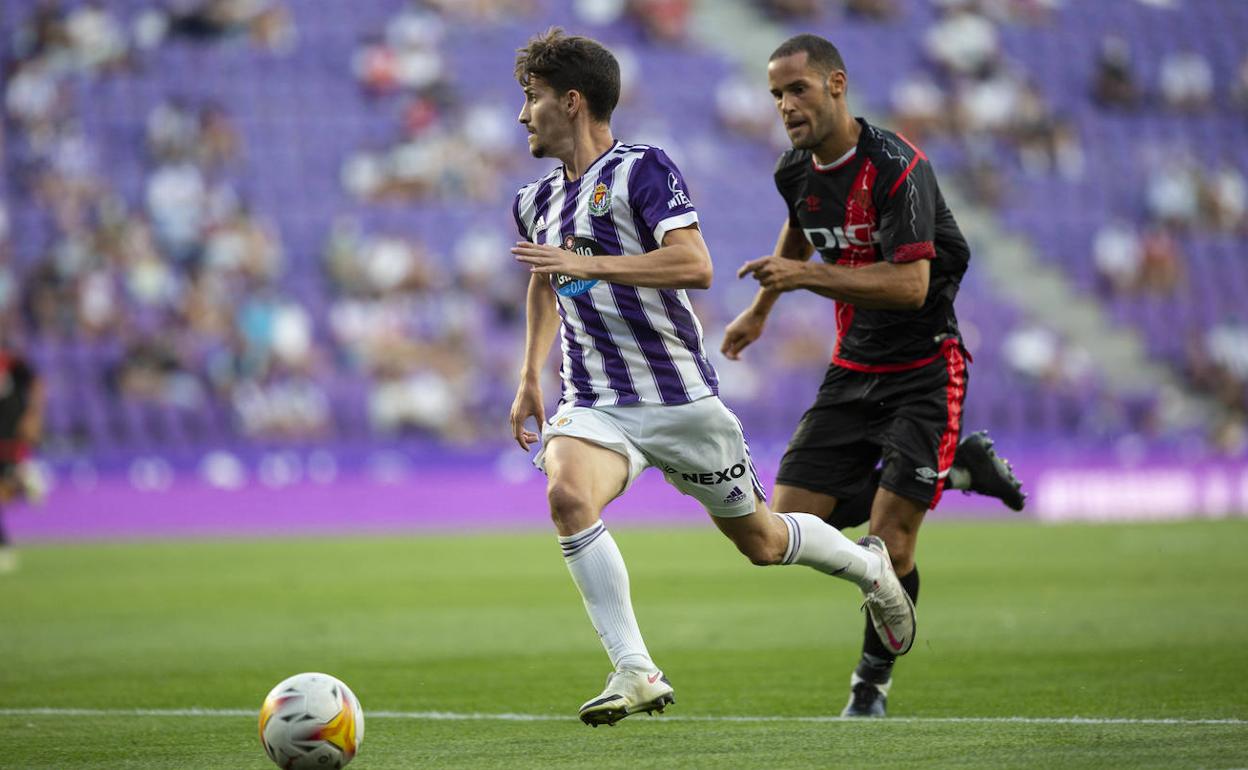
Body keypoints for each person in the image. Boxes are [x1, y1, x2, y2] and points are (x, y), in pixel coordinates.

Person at [507, 28, 916, 727]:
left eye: (533, 98)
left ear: (572, 102)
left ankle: (870, 568)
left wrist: (594, 264)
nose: (523, 115)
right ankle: (636, 671)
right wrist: (529, 377)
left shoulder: (643, 169)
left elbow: (694, 264)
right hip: (595, 401)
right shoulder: (534, 200)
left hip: (681, 402)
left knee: (760, 542)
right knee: (568, 497)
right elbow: (546, 284)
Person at [722, 34, 1021, 718]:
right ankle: (954, 470)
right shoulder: (794, 169)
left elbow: (914, 284)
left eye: (796, 89)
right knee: (783, 528)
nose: (785, 106)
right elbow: (799, 230)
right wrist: (762, 308)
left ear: (836, 84)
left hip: (923, 367)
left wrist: (802, 279)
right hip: (853, 366)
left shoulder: (897, 167)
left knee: (891, 540)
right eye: (775, 95)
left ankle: (870, 686)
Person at [0, 349, 46, 574]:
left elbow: (37, 382)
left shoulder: (12, 361)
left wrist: (34, 414)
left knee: (5, 491)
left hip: (11, 436)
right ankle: (25, 482)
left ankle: (24, 481)